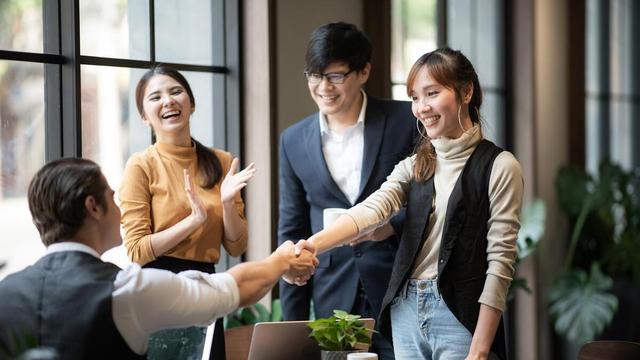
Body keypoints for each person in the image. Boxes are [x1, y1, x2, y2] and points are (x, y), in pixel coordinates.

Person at [290, 48, 524, 360]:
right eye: (414, 97)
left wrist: (480, 350)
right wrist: (310, 245)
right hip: (406, 312)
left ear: (466, 92)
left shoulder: (500, 166)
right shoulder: (417, 164)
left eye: (432, 93)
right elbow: (372, 209)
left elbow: (500, 265)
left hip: (459, 318)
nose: (421, 107)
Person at [0, 158, 317, 359]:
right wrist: (281, 260)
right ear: (93, 207)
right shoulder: (125, 289)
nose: (121, 208)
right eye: (114, 197)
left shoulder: (6, 292)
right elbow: (231, 290)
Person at [278, 22, 416, 359]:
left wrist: (390, 226)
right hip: (333, 298)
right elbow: (292, 229)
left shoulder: (404, 121)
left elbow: (432, 202)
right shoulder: (293, 140)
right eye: (314, 75)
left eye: (336, 76)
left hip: (400, 291)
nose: (323, 87)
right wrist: (292, 327)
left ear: (364, 71)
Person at [118, 65, 255, 359]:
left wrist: (228, 203)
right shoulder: (141, 165)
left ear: (191, 103)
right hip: (156, 289)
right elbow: (137, 250)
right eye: (155, 97)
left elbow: (237, 245)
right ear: (144, 116)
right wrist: (193, 221)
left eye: (176, 91)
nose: (167, 101)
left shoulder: (221, 161)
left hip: (206, 287)